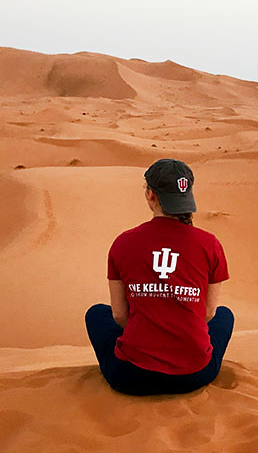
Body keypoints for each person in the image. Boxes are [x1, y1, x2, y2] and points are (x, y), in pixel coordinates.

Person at [85, 159, 234, 395]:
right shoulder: (210, 244)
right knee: (224, 316)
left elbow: (119, 315)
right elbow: (207, 314)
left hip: (130, 377)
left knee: (97, 313)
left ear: (150, 194)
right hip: (194, 374)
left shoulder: (124, 242)